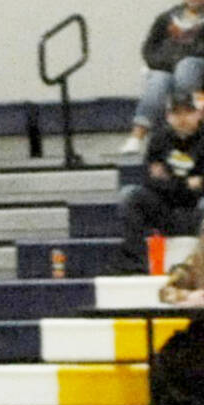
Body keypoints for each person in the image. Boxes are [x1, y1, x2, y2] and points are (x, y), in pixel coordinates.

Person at [114, 90, 204, 274]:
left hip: (197, 211)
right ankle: (135, 265)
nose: (182, 118)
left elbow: (163, 181)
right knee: (130, 196)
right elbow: (151, 181)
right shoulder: (159, 139)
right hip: (167, 210)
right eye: (176, 113)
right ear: (168, 116)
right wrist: (189, 184)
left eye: (188, 112)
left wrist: (172, 181)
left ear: (198, 113)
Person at [124, 1, 204, 154]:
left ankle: (186, 126)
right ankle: (137, 136)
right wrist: (161, 63)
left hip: (196, 66)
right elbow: (149, 48)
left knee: (186, 67)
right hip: (167, 66)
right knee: (158, 80)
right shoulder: (167, 18)